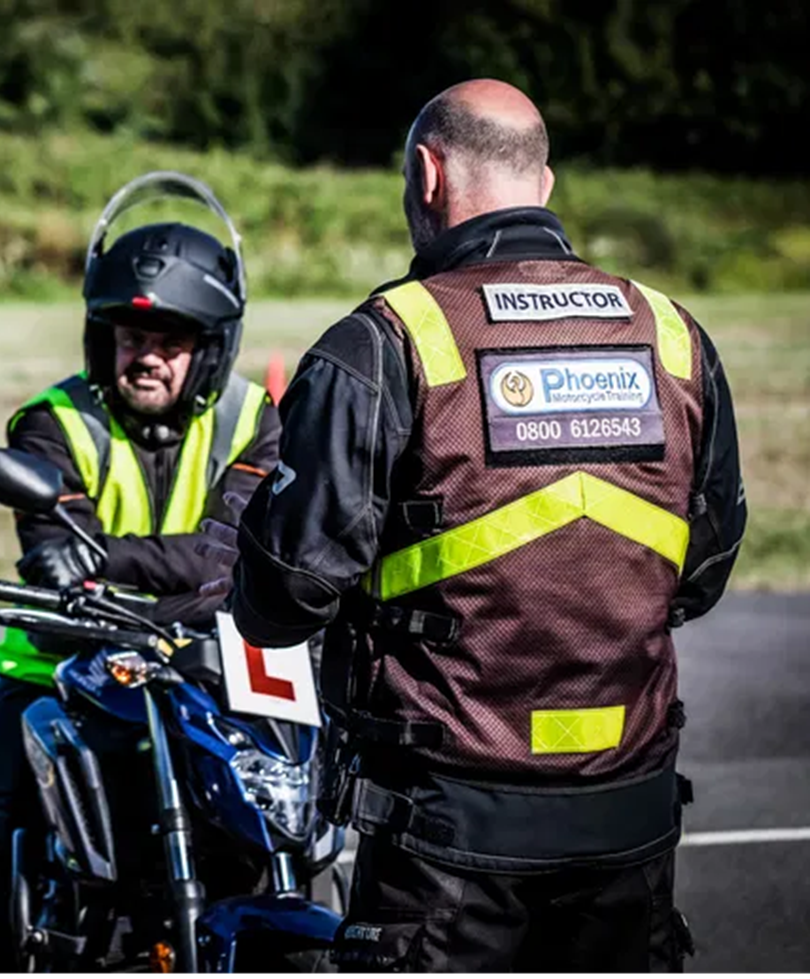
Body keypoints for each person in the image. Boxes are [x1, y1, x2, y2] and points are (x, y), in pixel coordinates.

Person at [214, 79, 744, 971]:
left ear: (427, 175)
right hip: (631, 820)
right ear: (544, 183)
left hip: (446, 839)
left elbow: (284, 598)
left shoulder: (388, 341)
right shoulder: (672, 334)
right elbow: (706, 565)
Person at [0, 172, 284, 971]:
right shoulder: (51, 423)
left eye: (171, 337)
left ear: (210, 345)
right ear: (102, 336)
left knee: (269, 848)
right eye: (131, 336)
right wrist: (182, 573)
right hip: (57, 669)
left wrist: (118, 559)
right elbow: (55, 556)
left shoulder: (254, 421)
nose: (147, 355)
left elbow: (230, 555)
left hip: (214, 672)